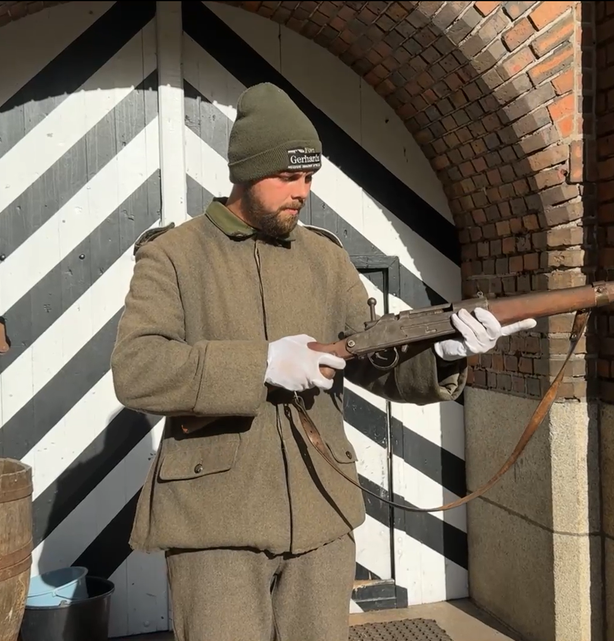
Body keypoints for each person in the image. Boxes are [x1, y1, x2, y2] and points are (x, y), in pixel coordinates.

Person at [110, 82, 535, 641]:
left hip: (321, 506)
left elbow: (373, 361)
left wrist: (444, 354)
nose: (301, 192)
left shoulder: (326, 258)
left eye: (309, 177)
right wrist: (261, 364)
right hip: (214, 519)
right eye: (288, 177)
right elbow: (138, 369)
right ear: (246, 172)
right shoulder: (173, 255)